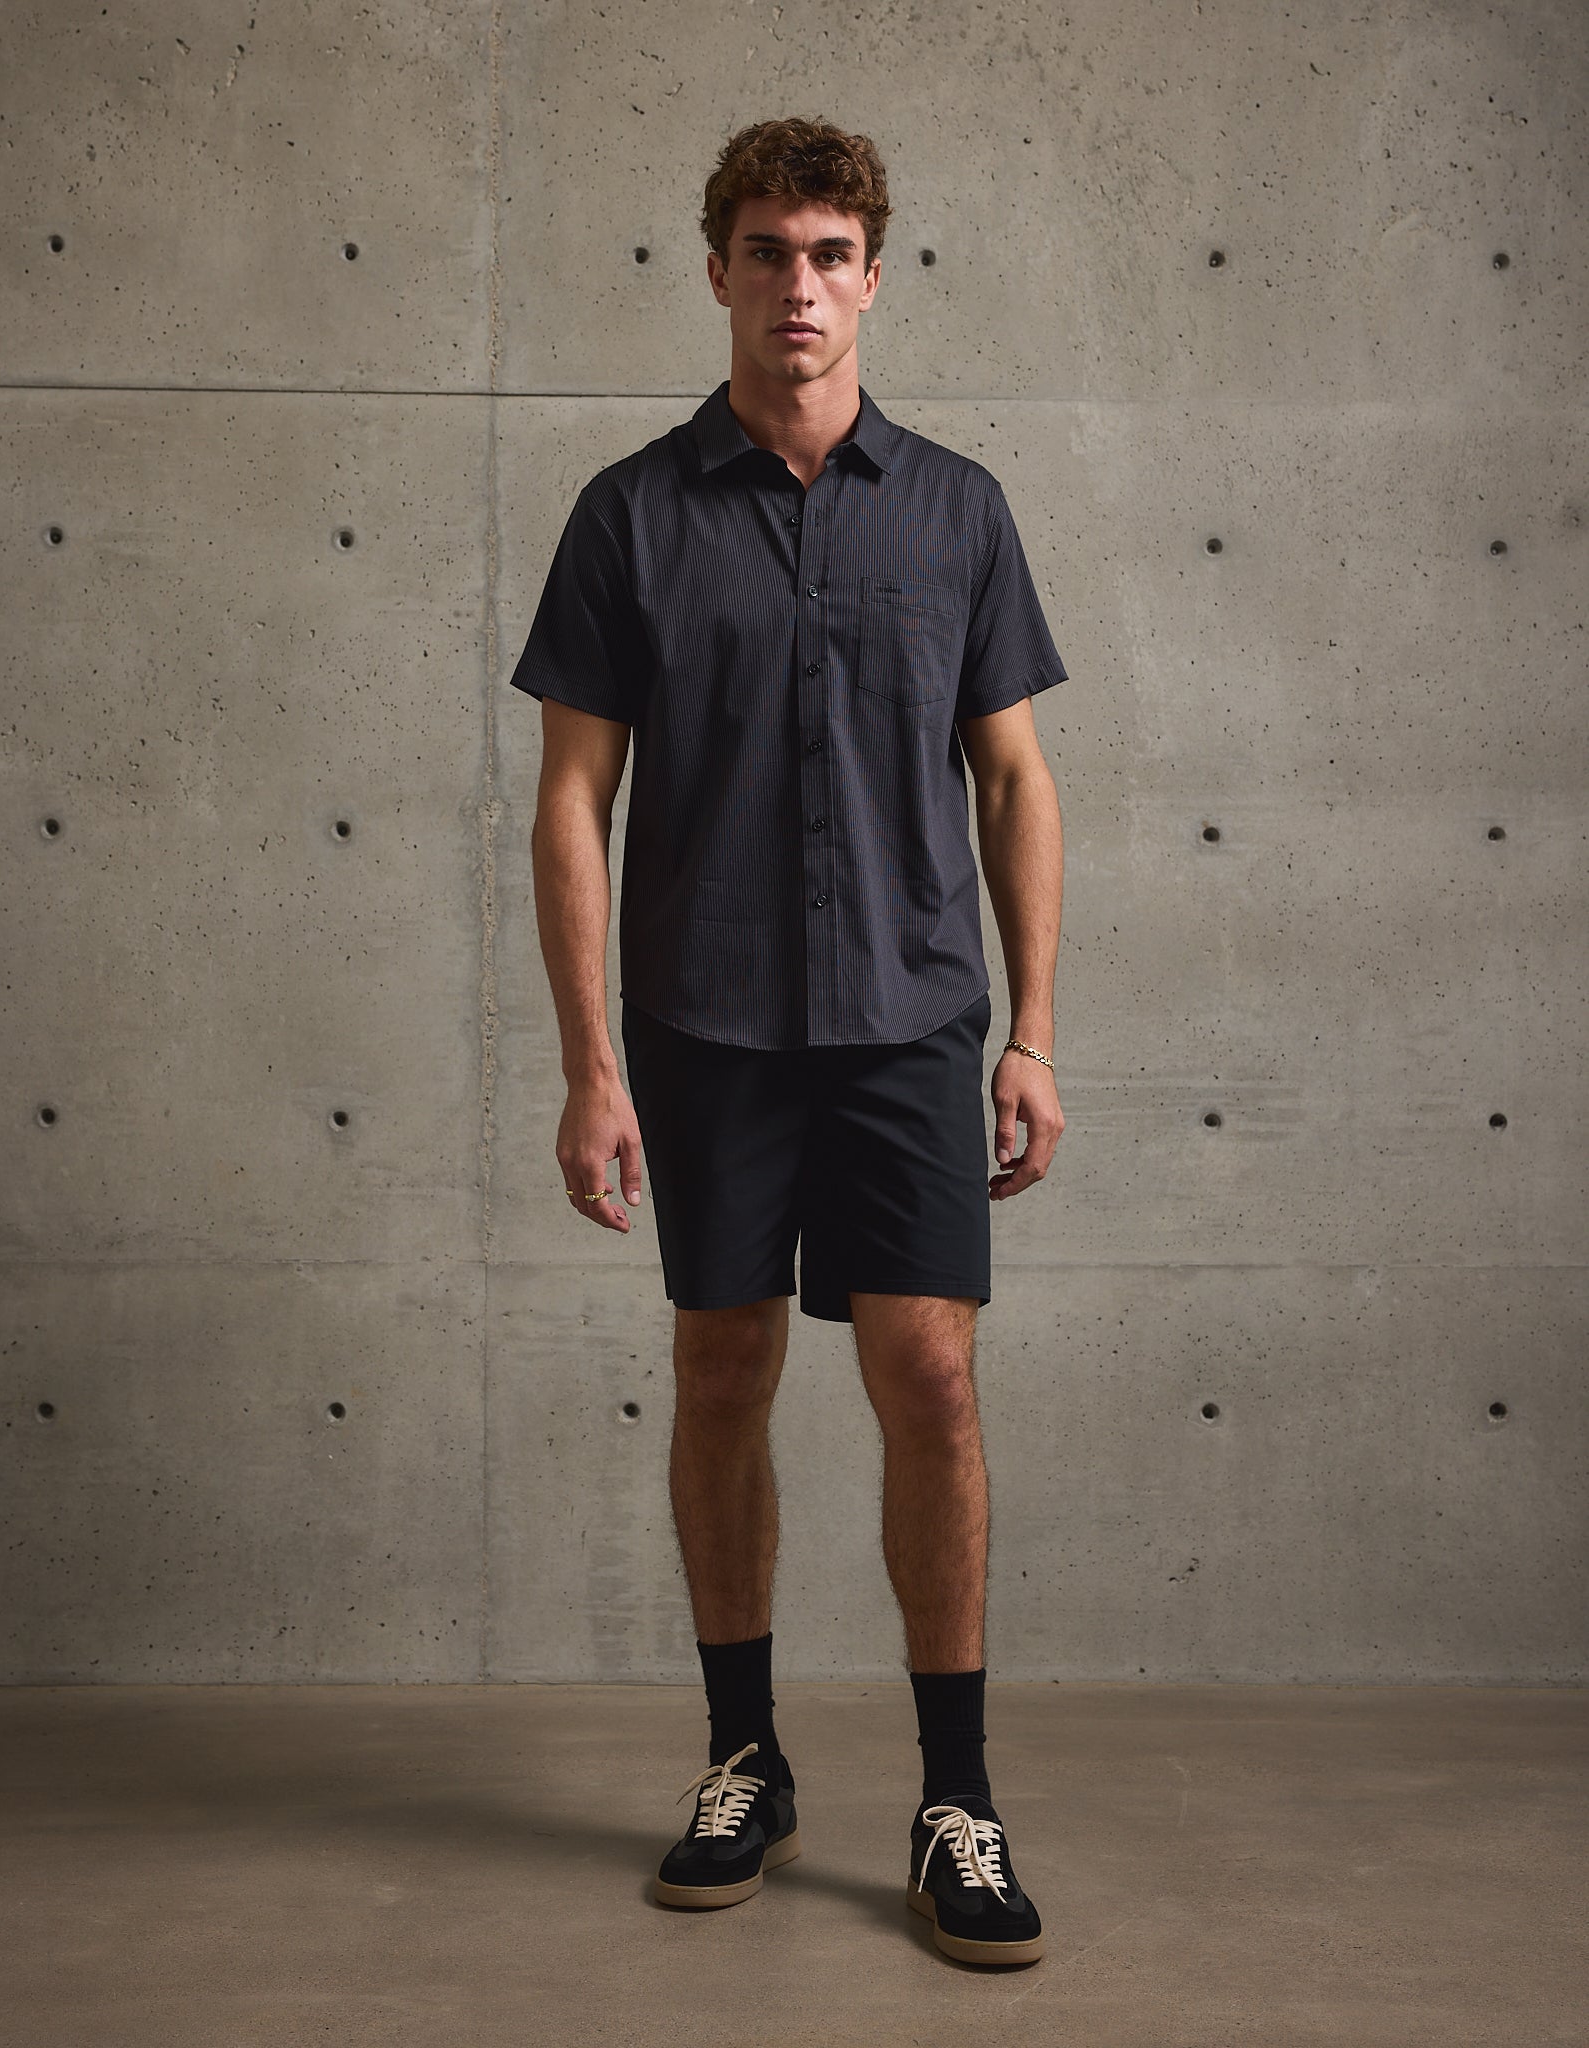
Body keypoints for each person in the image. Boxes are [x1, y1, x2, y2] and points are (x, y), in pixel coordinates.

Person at [508, 115, 1068, 1969]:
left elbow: (1014, 781)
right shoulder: (630, 514)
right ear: (719, 272)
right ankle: (743, 1757)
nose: (799, 287)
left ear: (873, 277)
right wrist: (589, 1067)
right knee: (722, 1373)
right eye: (767, 252)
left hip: (911, 1015)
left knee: (931, 1381)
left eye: (830, 254)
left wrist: (1033, 1032)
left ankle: (955, 1796)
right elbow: (571, 803)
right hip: (709, 1019)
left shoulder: (957, 508)